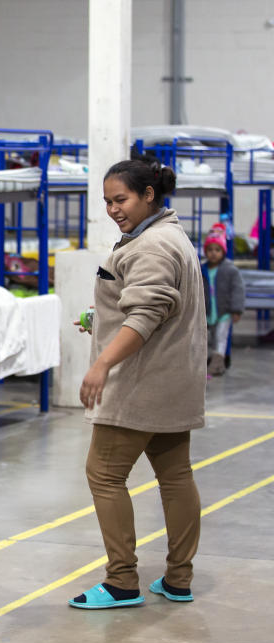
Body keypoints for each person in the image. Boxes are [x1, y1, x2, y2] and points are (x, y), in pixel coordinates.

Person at [69, 156, 206, 609]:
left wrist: (102, 363)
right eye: (107, 200)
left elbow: (147, 314)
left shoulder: (149, 246)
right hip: (174, 382)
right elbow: (152, 307)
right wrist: (101, 321)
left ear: (149, 195)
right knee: (175, 476)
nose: (113, 208)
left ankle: (122, 581)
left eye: (121, 199)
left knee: (104, 475)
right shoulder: (171, 235)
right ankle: (179, 579)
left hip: (139, 386)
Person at [202, 224, 245, 376]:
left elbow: (238, 290)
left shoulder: (230, 270)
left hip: (224, 311)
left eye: (217, 250)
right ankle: (208, 361)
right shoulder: (202, 270)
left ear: (223, 251)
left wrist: (236, 309)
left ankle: (217, 363)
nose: (213, 253)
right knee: (207, 337)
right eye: (210, 250)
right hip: (207, 311)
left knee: (221, 337)